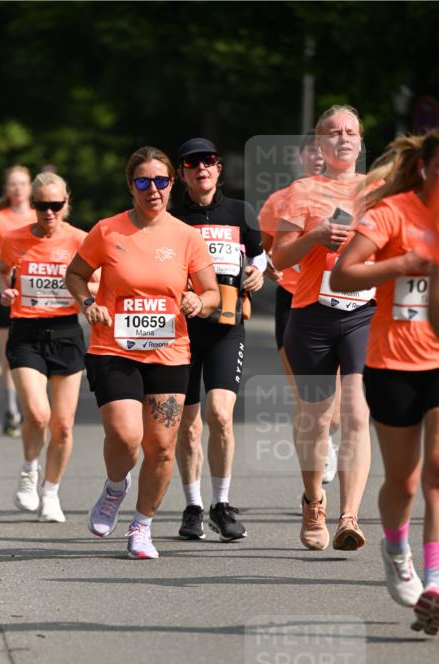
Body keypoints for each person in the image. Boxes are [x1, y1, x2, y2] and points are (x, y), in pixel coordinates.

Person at [64, 145, 219, 559]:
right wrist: (86, 303)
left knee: (163, 447)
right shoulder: (108, 231)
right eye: (143, 181)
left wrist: (197, 304)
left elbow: (211, 293)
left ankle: (142, 526)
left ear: (172, 184)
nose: (153, 189)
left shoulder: (187, 237)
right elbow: (76, 273)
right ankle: (116, 487)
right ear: (130, 186)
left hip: (170, 352)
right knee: (125, 434)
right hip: (114, 347)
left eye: (161, 181)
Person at [331, 129, 439, 635]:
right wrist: (401, 264)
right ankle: (396, 549)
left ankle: (435, 581)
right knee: (406, 480)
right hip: (394, 362)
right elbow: (343, 275)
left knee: (438, 471)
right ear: (424, 168)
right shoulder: (393, 213)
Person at [272, 105, 374, 552]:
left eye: (351, 132)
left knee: (357, 414)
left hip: (363, 314)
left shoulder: (380, 193)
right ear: (320, 142)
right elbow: (278, 259)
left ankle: (349, 516)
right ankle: (314, 501)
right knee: (315, 419)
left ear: (361, 141)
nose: (343, 138)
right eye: (334, 132)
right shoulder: (302, 192)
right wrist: (315, 237)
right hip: (311, 314)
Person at [171, 138, 266, 542]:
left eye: (208, 162)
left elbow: (259, 254)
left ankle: (221, 504)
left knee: (221, 416)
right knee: (188, 426)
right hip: (181, 332)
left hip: (227, 327)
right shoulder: (172, 216)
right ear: (181, 174)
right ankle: (193, 506)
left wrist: (259, 272)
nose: (201, 169)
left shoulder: (240, 211)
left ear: (218, 168)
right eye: (192, 164)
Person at [0, 172, 90, 523]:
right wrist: (5, 288)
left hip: (66, 332)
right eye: (41, 205)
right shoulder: (13, 238)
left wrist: (88, 294)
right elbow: (2, 271)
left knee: (63, 426)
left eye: (55, 205)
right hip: (26, 332)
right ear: (32, 205)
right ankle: (28, 470)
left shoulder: (81, 239)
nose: (48, 212)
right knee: (38, 414)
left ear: (66, 203)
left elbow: (96, 277)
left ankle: (51, 492)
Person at [259, 134, 340, 487]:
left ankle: (326, 441)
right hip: (291, 302)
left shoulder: (346, 195)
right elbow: (261, 249)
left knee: (334, 412)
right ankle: (312, 475)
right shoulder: (279, 201)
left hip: (335, 302)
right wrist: (266, 267)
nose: (318, 157)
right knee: (304, 397)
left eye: (324, 151)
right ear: (301, 156)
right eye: (312, 151)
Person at [0, 166, 37, 436]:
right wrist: (9, 248)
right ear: (6, 189)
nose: (18, 189)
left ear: (30, 187)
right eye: (13, 184)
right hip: (4, 288)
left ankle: (34, 407)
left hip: (36, 290)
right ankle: (12, 408)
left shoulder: (41, 216)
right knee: (8, 352)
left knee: (36, 349)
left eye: (23, 184)